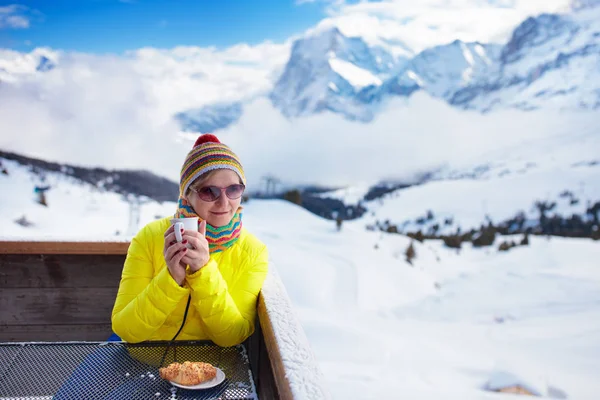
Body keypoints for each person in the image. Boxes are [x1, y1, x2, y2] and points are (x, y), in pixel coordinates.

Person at [111, 133, 269, 347]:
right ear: (187, 196)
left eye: (234, 189)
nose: (224, 202)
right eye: (209, 191)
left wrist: (203, 272)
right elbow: (125, 329)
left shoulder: (253, 251)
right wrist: (171, 278)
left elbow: (232, 336)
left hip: (211, 371)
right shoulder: (149, 237)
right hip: (143, 363)